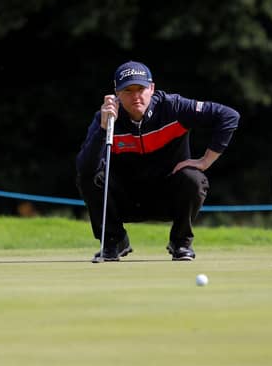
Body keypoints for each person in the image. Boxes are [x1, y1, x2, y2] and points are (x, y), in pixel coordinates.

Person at [76, 60, 240, 263]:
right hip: (125, 200)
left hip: (168, 197)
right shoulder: (106, 119)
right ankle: (114, 240)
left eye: (141, 89)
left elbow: (229, 116)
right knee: (92, 177)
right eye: (128, 90)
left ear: (152, 88)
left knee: (194, 178)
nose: (136, 96)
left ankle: (180, 242)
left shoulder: (174, 107)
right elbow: (85, 168)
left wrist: (205, 161)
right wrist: (103, 128)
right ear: (116, 93)